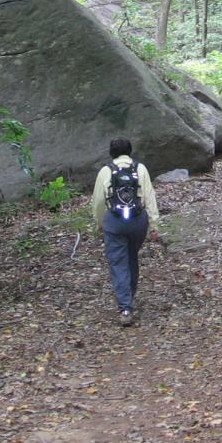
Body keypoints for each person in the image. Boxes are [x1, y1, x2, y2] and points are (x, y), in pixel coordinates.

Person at [90, 138, 159, 326]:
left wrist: (99, 223)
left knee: (118, 262)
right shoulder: (140, 169)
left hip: (115, 222)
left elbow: (98, 202)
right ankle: (129, 294)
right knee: (131, 257)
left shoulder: (106, 171)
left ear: (111, 153)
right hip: (138, 221)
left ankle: (125, 307)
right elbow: (149, 196)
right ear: (129, 152)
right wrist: (154, 225)